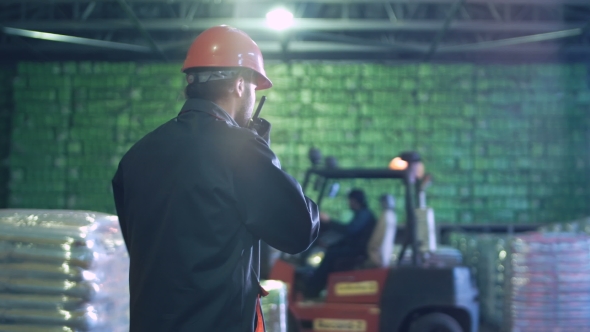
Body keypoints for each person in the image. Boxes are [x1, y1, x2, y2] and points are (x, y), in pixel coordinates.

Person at [112, 25, 320, 332]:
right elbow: (298, 231)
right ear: (239, 84)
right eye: (254, 88)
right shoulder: (240, 150)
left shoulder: (136, 156)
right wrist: (262, 155)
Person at [305, 189, 376, 298]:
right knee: (331, 251)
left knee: (331, 256)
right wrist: (330, 245)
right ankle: (316, 289)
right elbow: (349, 236)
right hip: (356, 247)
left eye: (350, 200)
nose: (349, 203)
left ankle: (311, 291)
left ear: (354, 201)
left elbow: (350, 231)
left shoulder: (364, 214)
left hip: (358, 250)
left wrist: (329, 221)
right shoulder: (362, 214)